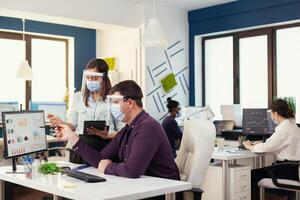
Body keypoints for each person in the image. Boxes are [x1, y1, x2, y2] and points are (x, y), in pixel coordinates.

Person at [56, 80, 180, 180]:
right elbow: (100, 159)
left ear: (130, 103)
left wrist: (108, 167)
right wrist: (72, 137)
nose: (112, 107)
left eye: (116, 102)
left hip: (163, 190)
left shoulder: (148, 127)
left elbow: (132, 171)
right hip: (143, 186)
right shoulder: (127, 130)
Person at [48, 58, 120, 161]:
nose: (90, 81)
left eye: (95, 78)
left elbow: (123, 131)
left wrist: (107, 135)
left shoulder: (114, 99)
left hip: (105, 150)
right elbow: (73, 125)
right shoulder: (78, 97)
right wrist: (62, 122)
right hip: (80, 149)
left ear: (103, 78)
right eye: (88, 78)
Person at [243, 99, 300, 200]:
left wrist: (250, 147)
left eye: (271, 113)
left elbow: (266, 147)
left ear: (276, 113)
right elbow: (274, 143)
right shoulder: (293, 127)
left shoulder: (284, 129)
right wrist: (261, 143)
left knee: (250, 175)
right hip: (294, 170)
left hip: (285, 170)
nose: (271, 116)